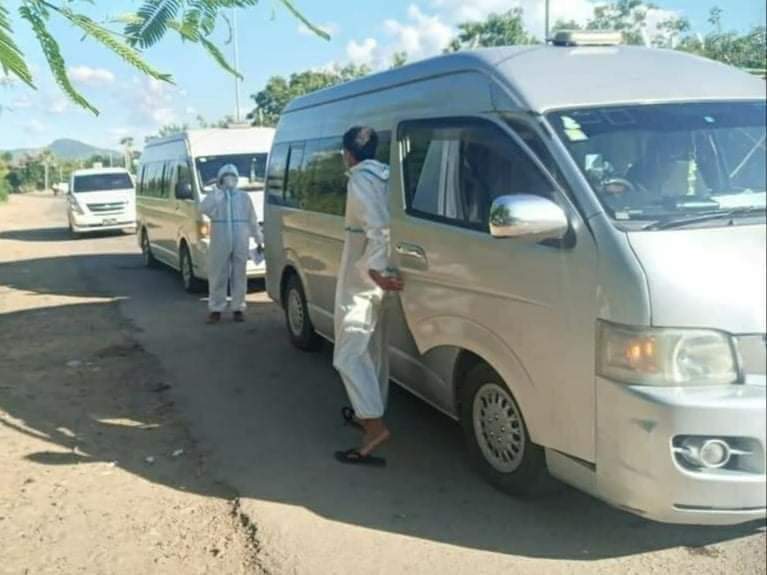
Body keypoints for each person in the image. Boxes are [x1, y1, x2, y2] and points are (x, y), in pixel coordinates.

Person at [334, 126, 403, 467]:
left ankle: (373, 428)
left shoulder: (360, 178)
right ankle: (369, 412)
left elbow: (379, 226)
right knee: (373, 348)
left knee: (347, 353)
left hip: (363, 276)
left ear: (348, 152)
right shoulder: (389, 176)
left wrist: (372, 269)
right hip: (381, 273)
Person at [200, 164, 263, 324]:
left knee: (239, 275)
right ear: (220, 179)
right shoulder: (215, 196)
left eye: (232, 177)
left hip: (240, 240)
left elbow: (252, 220)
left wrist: (258, 238)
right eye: (226, 177)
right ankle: (216, 309)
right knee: (218, 275)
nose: (230, 180)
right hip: (220, 240)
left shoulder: (243, 198)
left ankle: (238, 308)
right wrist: (218, 194)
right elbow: (204, 208)